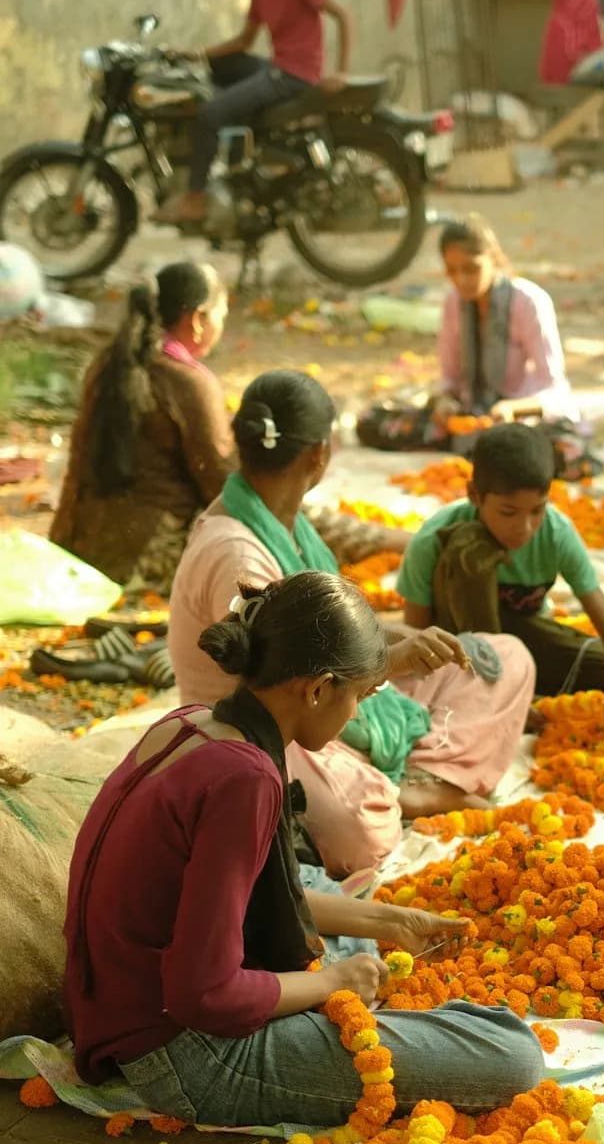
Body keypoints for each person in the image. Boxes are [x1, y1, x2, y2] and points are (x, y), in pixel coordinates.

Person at [62, 569, 544, 1127]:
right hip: (186, 1055)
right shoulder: (244, 780)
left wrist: (387, 920)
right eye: (359, 696)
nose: (358, 714)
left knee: (315, 900)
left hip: (108, 1011)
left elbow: (241, 894)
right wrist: (333, 982)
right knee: (514, 1054)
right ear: (317, 688)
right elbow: (207, 998)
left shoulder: (189, 723)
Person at [168, 370, 536, 882]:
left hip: (332, 696)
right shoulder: (237, 552)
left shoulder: (284, 519)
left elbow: (330, 630)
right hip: (267, 727)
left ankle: (413, 778)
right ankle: (406, 789)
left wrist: (398, 641)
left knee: (504, 659)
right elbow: (292, 688)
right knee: (358, 830)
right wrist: (390, 660)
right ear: (319, 455)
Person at [397, 423, 604, 717]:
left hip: (526, 644)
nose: (525, 528)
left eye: (537, 510)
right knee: (467, 547)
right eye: (508, 512)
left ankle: (516, 694)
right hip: (459, 654)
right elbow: (415, 642)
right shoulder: (434, 539)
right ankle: (495, 695)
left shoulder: (556, 534)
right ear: (474, 495)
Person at [156, 0, 352, 226]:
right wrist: (197, 54)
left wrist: (341, 72)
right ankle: (237, 159)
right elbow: (243, 43)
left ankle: (194, 198)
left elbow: (344, 17)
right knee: (219, 69)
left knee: (209, 114)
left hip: (293, 76)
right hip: (277, 69)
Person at [50, 262, 234, 593]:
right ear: (196, 320)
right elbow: (223, 485)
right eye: (220, 315)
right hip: (146, 562)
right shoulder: (188, 382)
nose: (221, 325)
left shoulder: (106, 364)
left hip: (78, 552)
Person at [434, 217, 572, 425]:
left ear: (493, 258)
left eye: (471, 269)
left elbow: (555, 390)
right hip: (472, 416)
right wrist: (444, 402)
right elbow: (450, 380)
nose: (461, 280)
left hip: (520, 418)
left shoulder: (527, 301)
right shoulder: (454, 302)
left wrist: (511, 409)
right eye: (452, 271)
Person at [539, 0, 603, 85]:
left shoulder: (556, 15)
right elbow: (596, 45)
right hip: (575, 75)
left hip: (552, 82)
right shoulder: (590, 2)